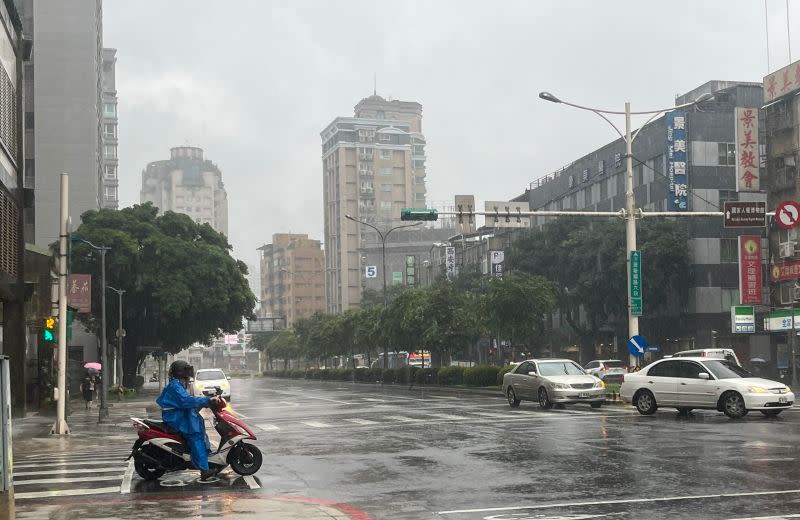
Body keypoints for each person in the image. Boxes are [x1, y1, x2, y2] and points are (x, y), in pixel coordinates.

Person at [156, 360, 220, 481]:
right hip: (176, 417)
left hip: (179, 414)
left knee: (199, 431)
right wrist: (206, 400)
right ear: (181, 372)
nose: (189, 373)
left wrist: (205, 400)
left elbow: (187, 400)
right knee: (195, 435)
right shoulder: (175, 385)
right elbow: (185, 401)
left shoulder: (178, 384)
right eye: (186, 370)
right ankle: (204, 470)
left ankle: (205, 461)